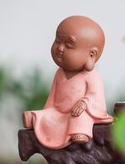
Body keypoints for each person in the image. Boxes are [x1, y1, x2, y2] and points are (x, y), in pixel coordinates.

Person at [22, 15, 113, 149]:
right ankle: (35, 119)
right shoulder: (59, 73)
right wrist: (47, 111)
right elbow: (52, 96)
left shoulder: (92, 76)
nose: (60, 48)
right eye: (57, 41)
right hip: (58, 112)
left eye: (69, 45)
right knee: (48, 115)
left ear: (91, 54)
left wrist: (84, 103)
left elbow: (96, 96)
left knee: (81, 117)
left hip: (79, 112)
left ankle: (80, 131)